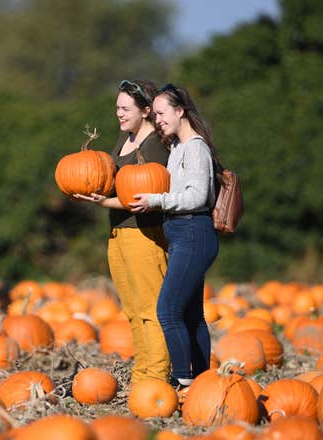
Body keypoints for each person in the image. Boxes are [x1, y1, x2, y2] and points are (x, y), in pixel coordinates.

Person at [73, 79, 170, 384]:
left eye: (126, 108)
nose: (119, 113)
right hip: (118, 233)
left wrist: (105, 202)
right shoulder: (124, 138)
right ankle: (142, 372)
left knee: (151, 310)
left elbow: (147, 193)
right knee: (131, 309)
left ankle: (156, 375)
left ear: (145, 110)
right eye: (117, 107)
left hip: (145, 235)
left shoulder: (155, 143)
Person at [130, 83, 219, 388]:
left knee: (167, 310)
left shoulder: (195, 147)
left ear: (180, 110)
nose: (158, 120)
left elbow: (197, 196)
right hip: (183, 233)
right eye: (154, 115)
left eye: (162, 113)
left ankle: (184, 382)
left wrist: (157, 200)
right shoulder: (179, 147)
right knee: (192, 315)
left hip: (194, 230)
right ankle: (204, 382)